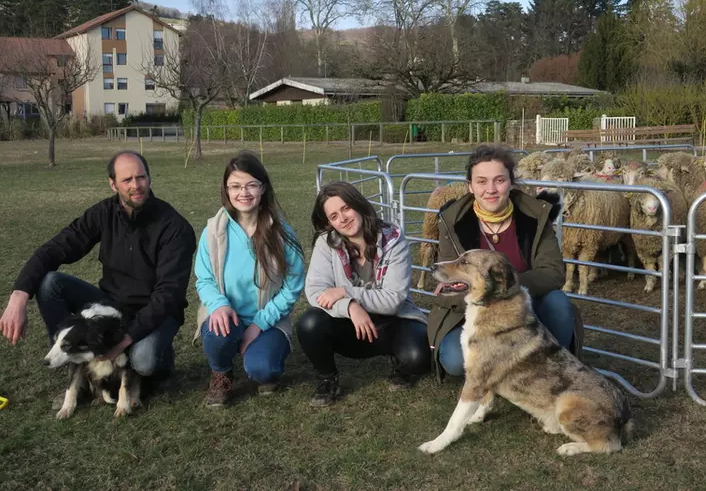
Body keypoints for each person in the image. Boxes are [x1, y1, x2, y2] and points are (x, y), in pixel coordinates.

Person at [0, 150, 197, 406]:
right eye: (127, 180)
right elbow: (55, 249)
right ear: (113, 184)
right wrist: (19, 296)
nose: (136, 186)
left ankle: (161, 359)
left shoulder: (175, 227)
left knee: (144, 362)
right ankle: (77, 363)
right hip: (112, 303)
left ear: (149, 178)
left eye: (141, 177)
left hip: (156, 309)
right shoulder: (103, 213)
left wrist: (125, 340)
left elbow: (168, 294)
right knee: (50, 284)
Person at [429, 145, 583, 382]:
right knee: (453, 360)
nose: (490, 189)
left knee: (558, 303)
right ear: (470, 186)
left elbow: (552, 273)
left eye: (499, 180)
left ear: (511, 182)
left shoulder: (536, 216)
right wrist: (486, 297)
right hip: (474, 312)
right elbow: (446, 286)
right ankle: (501, 371)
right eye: (481, 181)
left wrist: (503, 289)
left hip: (524, 308)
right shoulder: (452, 222)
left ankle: (549, 374)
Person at [296, 181, 431, 407]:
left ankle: (400, 365)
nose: (343, 219)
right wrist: (350, 305)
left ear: (358, 204)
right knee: (309, 323)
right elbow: (316, 292)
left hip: (392, 322)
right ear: (329, 222)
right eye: (334, 216)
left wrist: (345, 291)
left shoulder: (393, 239)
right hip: (350, 324)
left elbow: (393, 300)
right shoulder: (326, 243)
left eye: (346, 208)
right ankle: (327, 379)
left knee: (418, 357)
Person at [194, 151, 305, 408]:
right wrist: (219, 305)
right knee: (216, 331)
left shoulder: (282, 234)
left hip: (267, 321)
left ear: (263, 188)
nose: (243, 193)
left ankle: (263, 360)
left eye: (251, 185)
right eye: (235, 186)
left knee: (262, 370)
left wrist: (258, 324)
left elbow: (292, 286)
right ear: (226, 190)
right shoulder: (212, 231)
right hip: (227, 315)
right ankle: (221, 373)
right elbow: (204, 278)